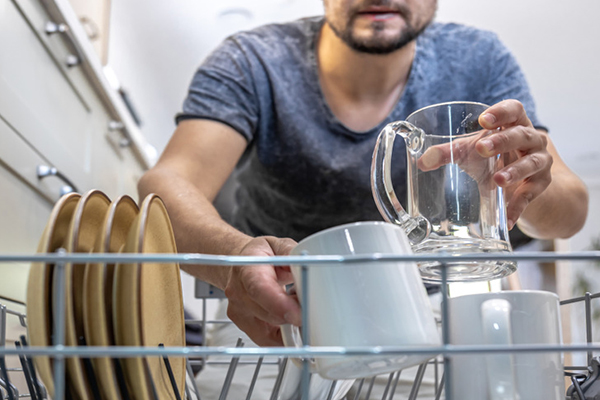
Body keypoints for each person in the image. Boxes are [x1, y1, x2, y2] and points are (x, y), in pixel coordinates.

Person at [138, 0, 588, 397]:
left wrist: (526, 186)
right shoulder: (252, 59)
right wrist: (235, 258)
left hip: (418, 311)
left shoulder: (480, 60)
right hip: (272, 310)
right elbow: (167, 182)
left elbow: (569, 212)